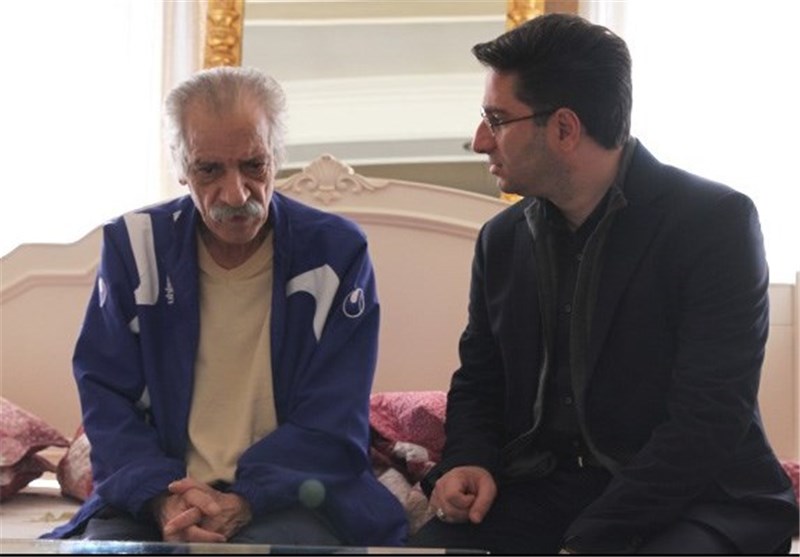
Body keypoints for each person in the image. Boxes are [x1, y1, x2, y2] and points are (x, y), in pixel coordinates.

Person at [409, 13, 799, 555]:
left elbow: (709, 418)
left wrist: (590, 539)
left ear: (564, 129)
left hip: (695, 497)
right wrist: (467, 460)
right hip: (543, 491)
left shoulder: (715, 223)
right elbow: (480, 379)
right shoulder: (501, 240)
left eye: (496, 120)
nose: (478, 141)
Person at [42, 66, 407, 547]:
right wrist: (164, 498)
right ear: (180, 166)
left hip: (292, 494)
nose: (235, 195)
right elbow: (107, 397)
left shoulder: (335, 252)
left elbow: (334, 414)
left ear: (277, 156)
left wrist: (245, 500)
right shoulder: (134, 247)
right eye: (209, 170)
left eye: (253, 165)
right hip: (157, 492)